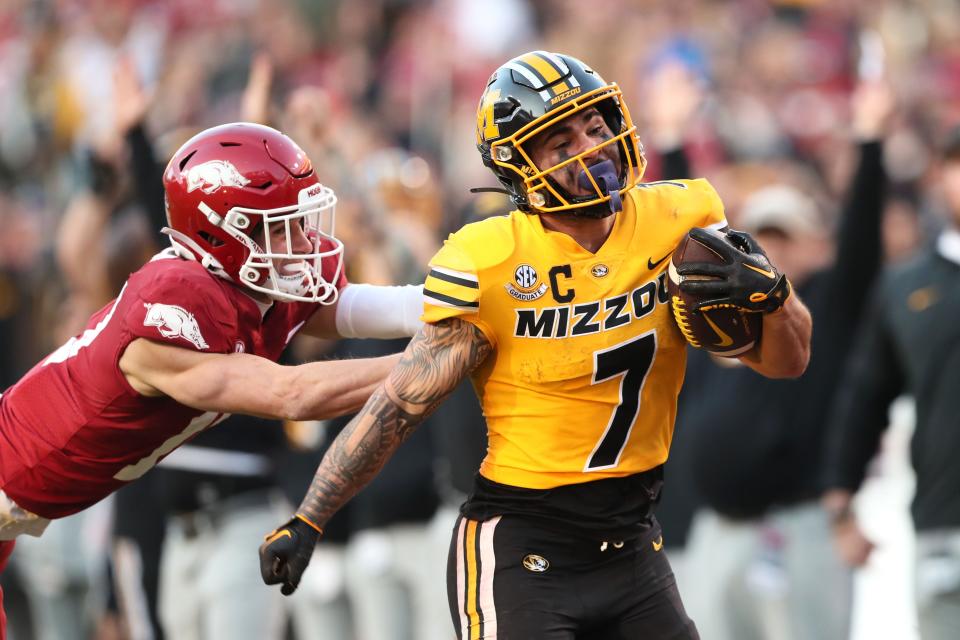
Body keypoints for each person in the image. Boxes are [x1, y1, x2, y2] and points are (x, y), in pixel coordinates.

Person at [260, 51, 811, 639]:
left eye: (596, 126)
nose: (591, 147)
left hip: (632, 544)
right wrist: (310, 518)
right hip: (522, 548)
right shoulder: (491, 258)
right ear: (519, 166)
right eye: (560, 141)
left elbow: (787, 361)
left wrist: (775, 298)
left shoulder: (680, 217)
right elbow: (399, 406)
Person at [0, 121, 425, 640]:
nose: (301, 241)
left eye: (299, 221)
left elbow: (341, 306)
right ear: (219, 233)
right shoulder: (172, 309)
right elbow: (290, 394)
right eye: (280, 226)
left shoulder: (237, 278)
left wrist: (446, 305)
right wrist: (436, 357)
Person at [821, 126, 960, 640]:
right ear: (939, 176)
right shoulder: (906, 284)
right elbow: (864, 397)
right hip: (945, 523)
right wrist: (841, 502)